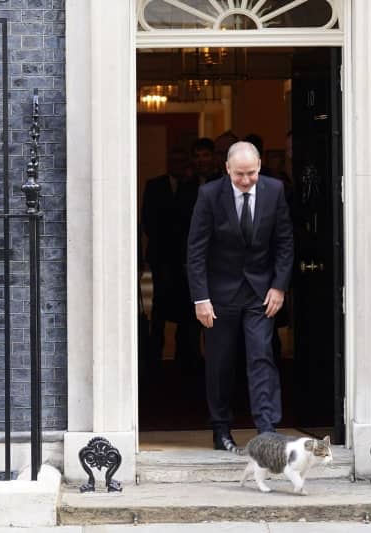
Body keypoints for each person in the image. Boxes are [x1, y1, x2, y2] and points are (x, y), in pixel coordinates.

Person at [186, 141, 293, 450]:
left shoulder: (274, 191)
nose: (246, 181)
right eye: (239, 175)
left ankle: (267, 428)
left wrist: (279, 286)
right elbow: (196, 249)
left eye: (251, 173)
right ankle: (221, 429)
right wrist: (200, 298)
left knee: (262, 356)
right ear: (227, 169)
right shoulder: (209, 195)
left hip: (261, 292)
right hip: (219, 295)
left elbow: (285, 241)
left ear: (259, 167)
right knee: (220, 363)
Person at [141, 144, 201, 374]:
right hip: (162, 255)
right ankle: (154, 357)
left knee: (186, 306)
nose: (177, 164)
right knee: (159, 305)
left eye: (181, 160)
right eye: (173, 160)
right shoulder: (155, 185)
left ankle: (185, 356)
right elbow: (148, 219)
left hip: (186, 257)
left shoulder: (192, 186)